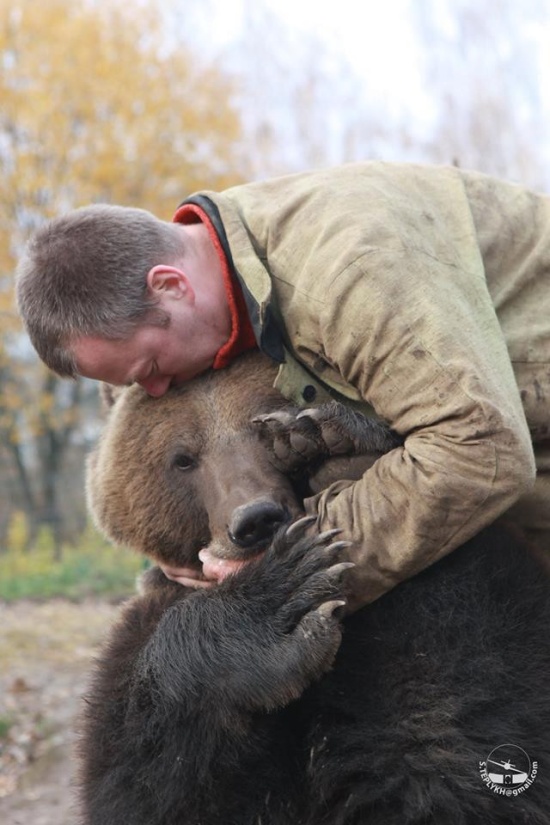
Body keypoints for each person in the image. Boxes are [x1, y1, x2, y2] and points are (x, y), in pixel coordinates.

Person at [15, 161, 550, 606]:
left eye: (150, 369)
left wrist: (287, 559)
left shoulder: (347, 273)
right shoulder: (236, 266)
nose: (155, 393)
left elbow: (481, 451)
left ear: (170, 286)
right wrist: (177, 538)